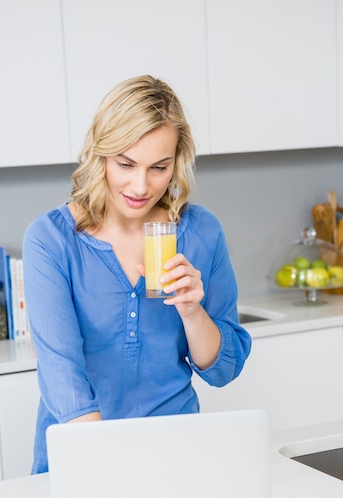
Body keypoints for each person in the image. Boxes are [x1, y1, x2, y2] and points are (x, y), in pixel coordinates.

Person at [23, 75, 252, 474]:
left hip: (177, 453)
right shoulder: (52, 239)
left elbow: (223, 370)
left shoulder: (201, 232)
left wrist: (192, 310)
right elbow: (63, 377)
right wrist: (112, 473)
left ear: (177, 163)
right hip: (82, 457)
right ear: (101, 154)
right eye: (125, 164)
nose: (140, 185)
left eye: (159, 167)